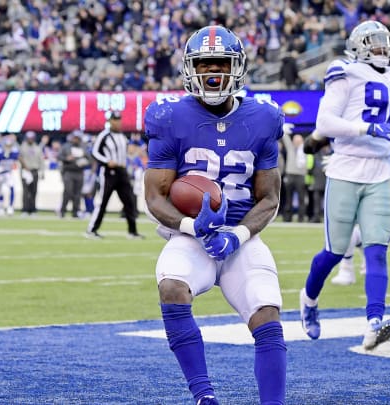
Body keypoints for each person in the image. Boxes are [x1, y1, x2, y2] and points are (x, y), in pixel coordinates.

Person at [143, 26, 286, 405]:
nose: (213, 72)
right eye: (205, 64)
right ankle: (204, 396)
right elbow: (154, 197)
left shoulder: (264, 117)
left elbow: (270, 198)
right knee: (172, 285)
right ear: (190, 69)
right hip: (191, 238)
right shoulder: (168, 115)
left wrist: (236, 235)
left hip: (241, 238)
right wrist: (192, 226)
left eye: (221, 63)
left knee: (267, 313)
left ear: (237, 68)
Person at [298, 20, 390, 350]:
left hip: (380, 172)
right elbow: (325, 122)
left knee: (377, 250)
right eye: (374, 43)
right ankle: (308, 300)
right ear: (359, 46)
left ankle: (374, 323)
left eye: (384, 43)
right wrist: (369, 129)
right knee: (334, 252)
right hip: (346, 168)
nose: (381, 49)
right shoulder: (345, 71)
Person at [86, 111, 141, 239]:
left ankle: (132, 231)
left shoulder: (122, 136)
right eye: (115, 120)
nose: (118, 122)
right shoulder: (104, 135)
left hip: (122, 172)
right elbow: (94, 152)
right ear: (110, 121)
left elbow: (126, 153)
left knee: (129, 201)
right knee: (103, 202)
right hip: (109, 173)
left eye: (119, 119)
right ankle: (92, 230)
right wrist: (106, 161)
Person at [19, 131, 46, 216]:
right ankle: (25, 209)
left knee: (34, 191)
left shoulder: (37, 148)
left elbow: (41, 161)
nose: (30, 140)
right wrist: (25, 167)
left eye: (31, 138)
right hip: (25, 171)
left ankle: (33, 209)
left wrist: (42, 172)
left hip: (34, 171)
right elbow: (19, 157)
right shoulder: (23, 147)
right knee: (25, 191)